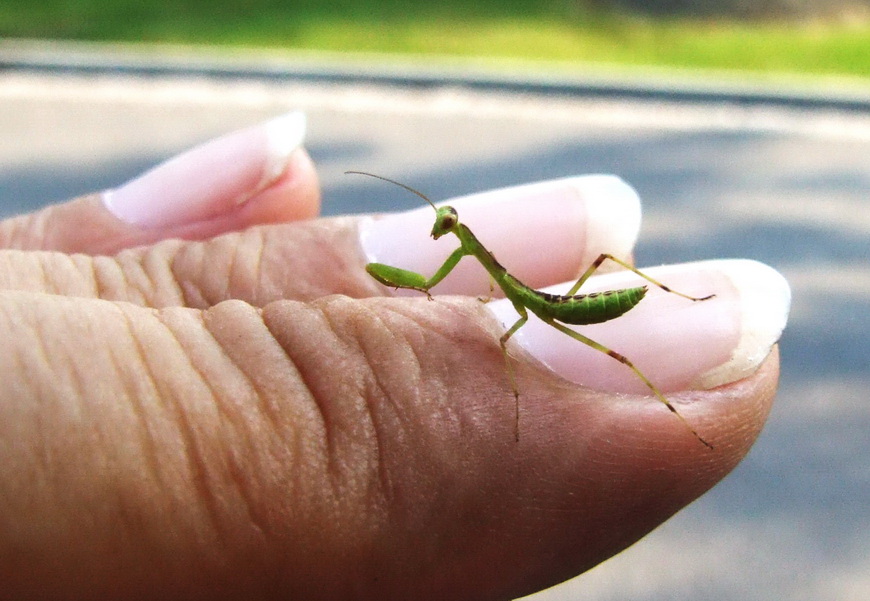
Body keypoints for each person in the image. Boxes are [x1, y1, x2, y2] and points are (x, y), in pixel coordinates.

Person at [0, 112, 788, 599]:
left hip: (573, 307)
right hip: (537, 307)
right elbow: (438, 288)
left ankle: (673, 344)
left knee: (599, 336)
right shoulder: (475, 275)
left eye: (448, 229)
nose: (446, 236)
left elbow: (478, 314)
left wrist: (512, 390)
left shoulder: (499, 288)